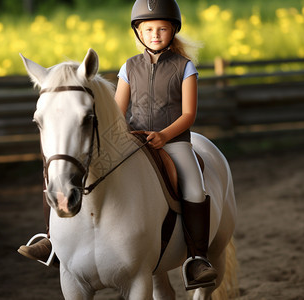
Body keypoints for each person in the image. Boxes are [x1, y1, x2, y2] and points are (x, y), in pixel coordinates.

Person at [114, 0, 217, 289]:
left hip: (173, 142)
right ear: (139, 32)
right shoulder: (129, 67)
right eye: (148, 29)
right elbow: (116, 112)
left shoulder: (185, 67)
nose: (155, 34)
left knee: (195, 189)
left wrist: (164, 136)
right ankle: (53, 241)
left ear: (173, 31)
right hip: (135, 142)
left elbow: (189, 115)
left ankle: (198, 259)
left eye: (162, 29)